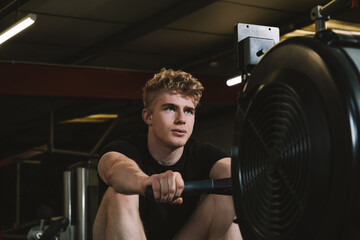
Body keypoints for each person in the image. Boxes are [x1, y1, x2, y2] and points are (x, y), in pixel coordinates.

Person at [93, 68, 242, 240]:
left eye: (188, 111)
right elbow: (114, 168)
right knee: (120, 193)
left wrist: (251, 176)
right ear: (148, 117)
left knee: (229, 195)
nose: (181, 119)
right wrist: (146, 182)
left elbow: (232, 171)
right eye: (170, 109)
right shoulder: (124, 148)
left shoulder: (203, 154)